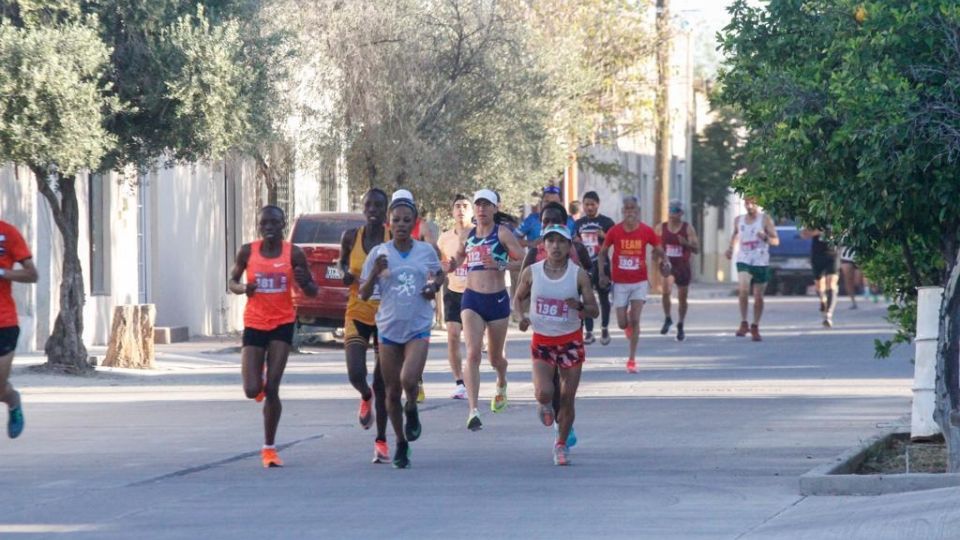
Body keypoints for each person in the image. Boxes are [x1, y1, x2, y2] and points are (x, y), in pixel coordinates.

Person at [360, 190, 444, 469]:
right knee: (390, 391)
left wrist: (433, 287)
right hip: (388, 328)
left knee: (409, 380)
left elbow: (437, 276)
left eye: (407, 220)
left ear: (415, 222)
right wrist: (374, 273)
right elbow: (362, 294)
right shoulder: (378, 253)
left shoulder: (425, 251)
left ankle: (413, 406)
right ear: (389, 222)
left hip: (418, 325)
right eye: (396, 220)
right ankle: (400, 442)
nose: (401, 225)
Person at [229, 206, 318, 468]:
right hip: (255, 323)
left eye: (274, 223)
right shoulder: (248, 251)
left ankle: (269, 449)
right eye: (264, 223)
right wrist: (244, 287)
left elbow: (313, 291)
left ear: (282, 225)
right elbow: (232, 281)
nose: (269, 227)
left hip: (282, 322)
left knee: (273, 389)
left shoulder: (294, 253)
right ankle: (262, 373)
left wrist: (304, 282)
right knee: (251, 390)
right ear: (258, 225)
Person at [514, 224, 599, 466]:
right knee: (544, 393)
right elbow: (518, 298)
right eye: (550, 241)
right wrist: (521, 318)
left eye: (561, 241)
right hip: (542, 341)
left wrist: (580, 307)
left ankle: (561, 445)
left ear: (569, 246)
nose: (555, 246)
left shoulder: (578, 274)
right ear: (543, 245)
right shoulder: (532, 272)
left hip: (570, 341)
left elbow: (595, 310)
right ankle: (543, 405)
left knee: (567, 398)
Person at [444, 189, 524, 431]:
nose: (481, 209)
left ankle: (501, 381)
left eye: (486, 205)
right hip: (471, 300)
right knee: (473, 354)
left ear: (495, 208)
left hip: (497, 300)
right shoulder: (468, 236)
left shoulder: (502, 234)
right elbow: (457, 259)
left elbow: (522, 260)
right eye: (478, 204)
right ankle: (473, 410)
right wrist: (446, 266)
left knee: (495, 357)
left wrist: (501, 264)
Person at [339, 188, 391, 463]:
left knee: (383, 381)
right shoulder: (351, 237)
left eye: (378, 205)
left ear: (386, 210)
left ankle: (381, 441)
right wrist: (346, 275)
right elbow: (341, 265)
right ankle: (364, 394)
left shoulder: (393, 239)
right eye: (368, 204)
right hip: (357, 311)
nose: (373, 209)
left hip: (387, 316)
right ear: (363, 208)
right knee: (356, 374)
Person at [598, 195, 668, 373]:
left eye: (632, 209)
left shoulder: (646, 231)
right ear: (623, 211)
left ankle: (631, 360)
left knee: (635, 319)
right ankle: (627, 325)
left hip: (639, 281)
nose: (629, 212)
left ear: (637, 212)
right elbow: (603, 252)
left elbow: (658, 248)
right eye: (626, 209)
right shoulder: (614, 231)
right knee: (623, 323)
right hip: (620, 282)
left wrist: (665, 261)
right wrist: (602, 274)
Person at [0, 220, 38, 440]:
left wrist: (3, 273)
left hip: (4, 322)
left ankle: (12, 400)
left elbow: (32, 274)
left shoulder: (8, 233)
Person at [725, 196, 780, 341]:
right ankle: (744, 322)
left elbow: (776, 241)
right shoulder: (738, 220)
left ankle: (755, 325)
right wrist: (730, 249)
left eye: (752, 203)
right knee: (743, 289)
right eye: (747, 203)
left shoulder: (765, 220)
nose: (749, 206)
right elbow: (735, 235)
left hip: (761, 260)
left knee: (758, 296)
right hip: (744, 259)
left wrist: (766, 238)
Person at [437, 194, 472, 400]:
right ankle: (460, 382)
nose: (461, 210)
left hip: (476, 292)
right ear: (452, 211)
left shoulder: (479, 234)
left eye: (465, 206)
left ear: (472, 210)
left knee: (472, 341)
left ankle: (474, 375)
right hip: (453, 291)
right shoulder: (444, 239)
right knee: (452, 335)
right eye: (457, 206)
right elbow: (443, 266)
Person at [574, 191, 616, 345]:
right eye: (587, 204)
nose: (590, 207)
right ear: (583, 206)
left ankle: (604, 327)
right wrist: (576, 241)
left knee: (604, 298)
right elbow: (573, 243)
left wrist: (604, 236)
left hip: (602, 265)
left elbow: (616, 241)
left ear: (598, 204)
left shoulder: (607, 222)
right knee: (587, 298)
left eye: (592, 204)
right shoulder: (578, 224)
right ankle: (589, 331)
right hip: (585, 266)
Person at [655, 200, 700, 341]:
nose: (672, 214)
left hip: (683, 265)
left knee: (682, 297)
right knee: (666, 291)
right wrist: (658, 257)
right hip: (668, 264)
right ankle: (668, 318)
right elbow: (655, 246)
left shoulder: (687, 228)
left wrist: (686, 243)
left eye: (675, 211)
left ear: (681, 213)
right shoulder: (660, 228)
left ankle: (680, 323)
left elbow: (697, 249)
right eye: (670, 210)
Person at [802, 228, 840, 327]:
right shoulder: (813, 221)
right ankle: (823, 300)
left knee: (832, 283)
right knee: (819, 286)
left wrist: (834, 233)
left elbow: (845, 231)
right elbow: (804, 235)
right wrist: (817, 232)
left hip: (832, 254)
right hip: (817, 255)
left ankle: (828, 314)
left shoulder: (838, 216)